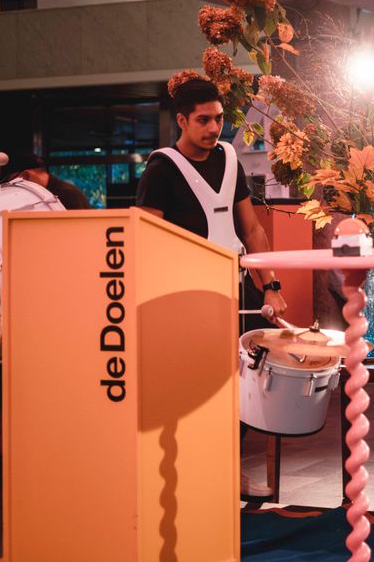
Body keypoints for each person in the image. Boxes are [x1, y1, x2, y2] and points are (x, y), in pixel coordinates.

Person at [135, 78, 283, 496]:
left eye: (218, 118)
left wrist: (271, 286)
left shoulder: (230, 159)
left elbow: (252, 230)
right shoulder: (161, 169)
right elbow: (148, 241)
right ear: (182, 120)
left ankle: (227, 472)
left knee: (240, 385)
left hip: (235, 289)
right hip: (186, 297)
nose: (214, 127)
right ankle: (197, 477)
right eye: (203, 120)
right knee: (198, 393)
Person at [6, 152, 91, 209]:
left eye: (13, 182)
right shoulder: (62, 192)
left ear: (26, 176)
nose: (12, 187)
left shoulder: (68, 195)